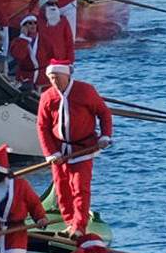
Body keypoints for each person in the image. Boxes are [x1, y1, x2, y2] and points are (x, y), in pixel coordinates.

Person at [37, 60, 112, 233]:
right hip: (59, 152)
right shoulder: (48, 97)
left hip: (83, 148)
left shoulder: (85, 91)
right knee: (62, 190)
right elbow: (42, 127)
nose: (54, 82)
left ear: (67, 75)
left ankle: (79, 226)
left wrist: (105, 135)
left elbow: (104, 113)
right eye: (51, 78)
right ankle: (70, 222)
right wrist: (50, 153)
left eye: (57, 77)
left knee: (80, 188)